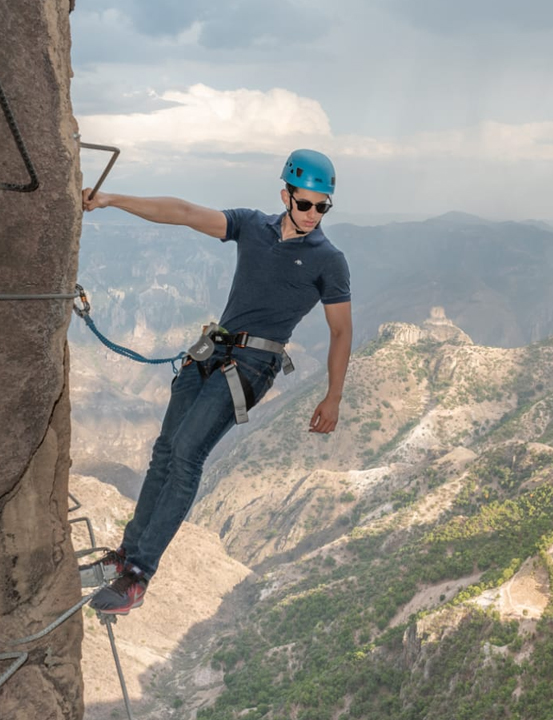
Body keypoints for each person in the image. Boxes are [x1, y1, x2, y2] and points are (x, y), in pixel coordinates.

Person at [79, 149, 352, 614]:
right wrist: (109, 199)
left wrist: (333, 396)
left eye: (322, 206)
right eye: (304, 203)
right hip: (211, 350)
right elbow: (184, 213)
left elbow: (342, 330)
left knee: (187, 455)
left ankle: (139, 575)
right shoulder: (251, 226)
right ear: (285, 194)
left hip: (253, 365)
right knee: (165, 451)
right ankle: (126, 553)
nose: (312, 215)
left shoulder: (329, 260)